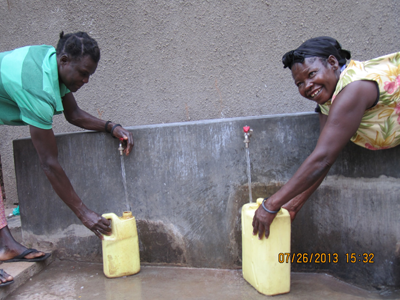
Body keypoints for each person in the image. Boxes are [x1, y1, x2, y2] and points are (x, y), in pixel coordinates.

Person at [0, 31, 134, 285]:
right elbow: (49, 163)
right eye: (83, 73)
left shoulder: (50, 62)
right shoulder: (37, 88)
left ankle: (5, 245)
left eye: (89, 75)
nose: (86, 80)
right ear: (64, 61)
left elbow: (73, 113)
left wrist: (110, 126)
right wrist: (84, 214)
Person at [252, 36, 400, 239]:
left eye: (312, 74)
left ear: (332, 63)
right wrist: (294, 205)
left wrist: (270, 205)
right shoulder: (327, 102)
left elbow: (322, 159)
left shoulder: (354, 89)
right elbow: (324, 156)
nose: (307, 86)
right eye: (299, 83)